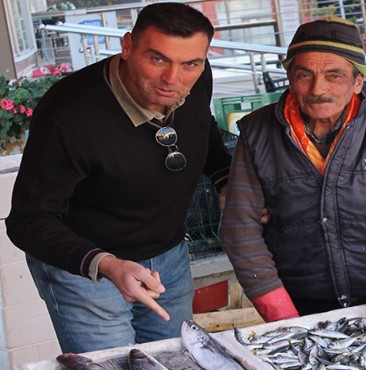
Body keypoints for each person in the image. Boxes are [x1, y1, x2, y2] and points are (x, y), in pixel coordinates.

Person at [5, 2, 232, 353]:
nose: (173, 79)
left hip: (169, 257)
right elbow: (27, 220)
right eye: (157, 59)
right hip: (87, 271)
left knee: (175, 360)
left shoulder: (196, 78)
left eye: (190, 63)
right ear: (127, 46)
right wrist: (107, 264)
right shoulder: (67, 115)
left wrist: (224, 178)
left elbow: (202, 126)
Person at [219, 16, 366, 322]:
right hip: (296, 302)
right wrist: (280, 311)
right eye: (304, 74)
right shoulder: (257, 132)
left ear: (357, 82)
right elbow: (239, 226)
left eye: (334, 75)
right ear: (290, 77)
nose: (317, 88)